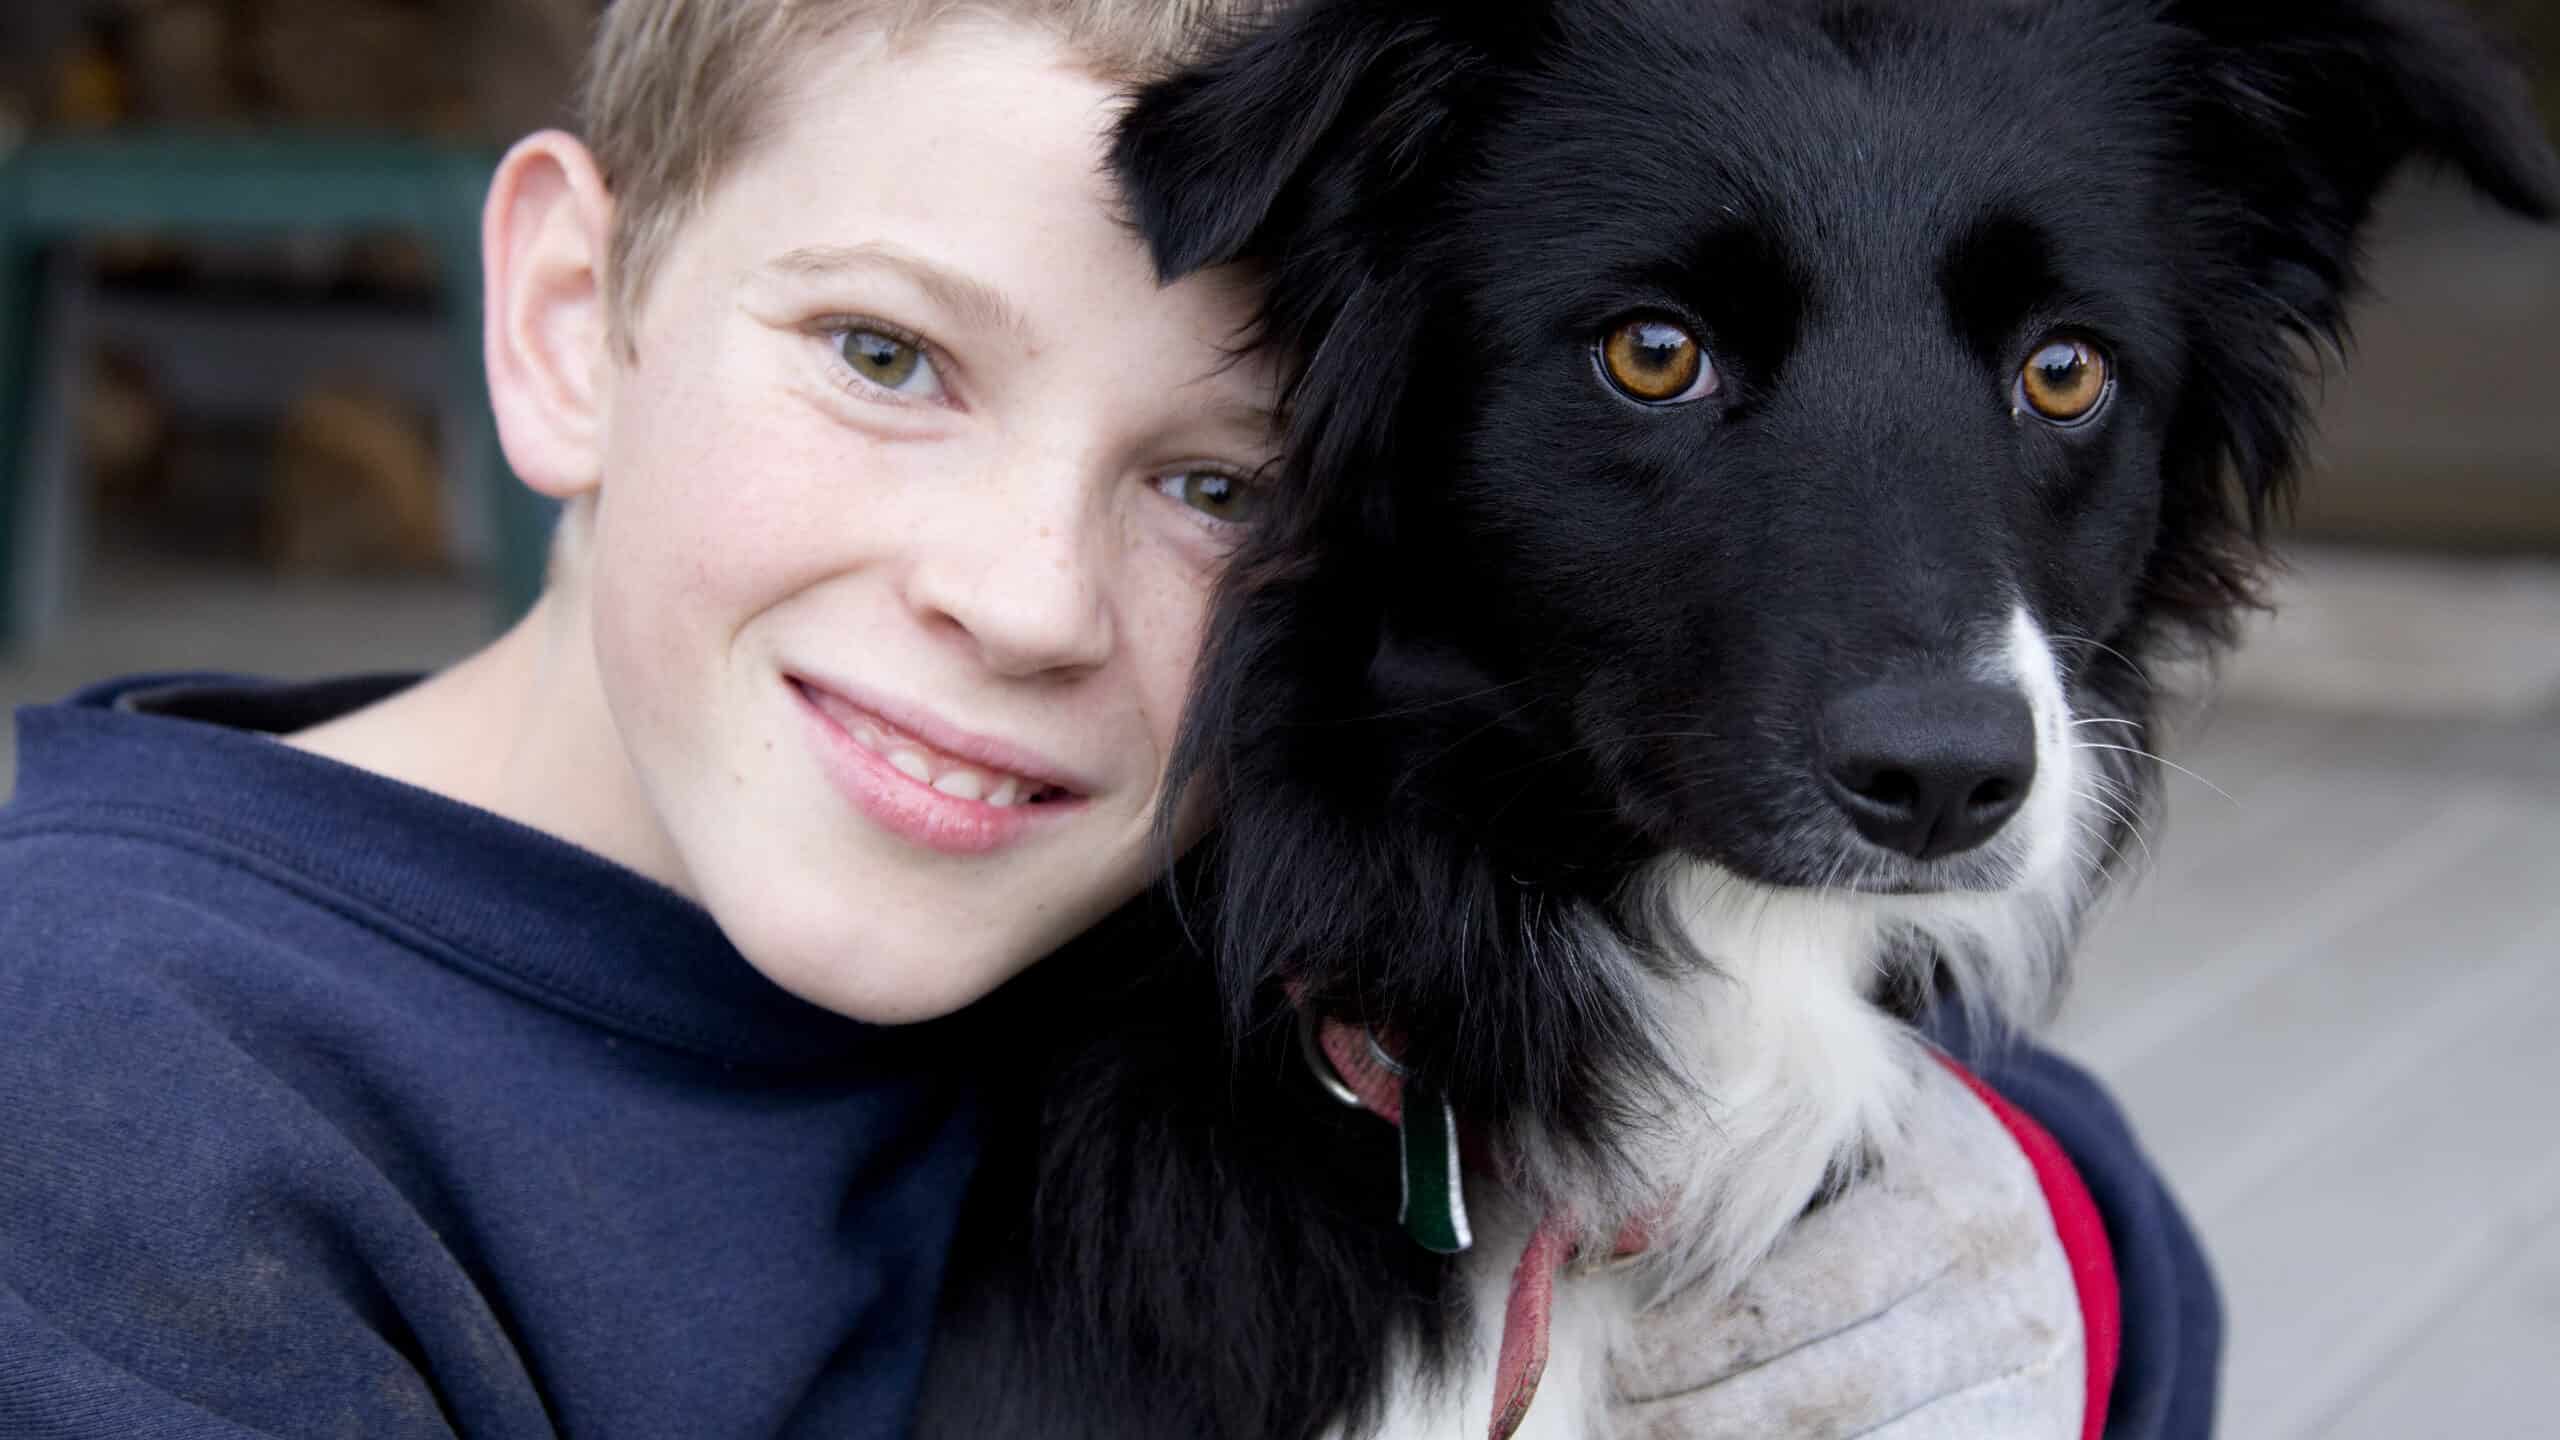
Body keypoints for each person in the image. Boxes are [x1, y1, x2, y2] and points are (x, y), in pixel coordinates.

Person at [0, 1, 2217, 1436]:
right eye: (884, 357)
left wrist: (2046, 1239)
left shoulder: (1168, 915)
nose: (1019, 600)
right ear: (577, 318)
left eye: (1212, 484)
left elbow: (2007, 1179)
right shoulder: (123, 1091)